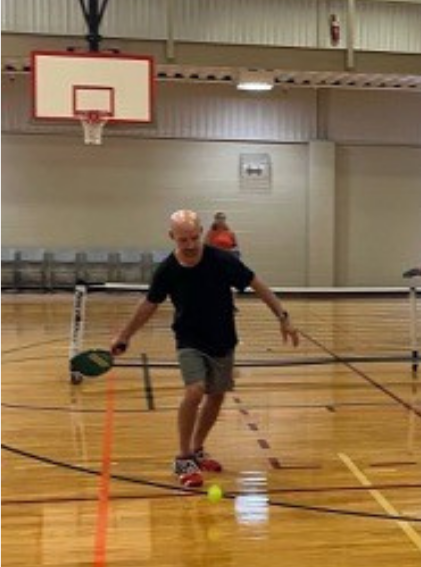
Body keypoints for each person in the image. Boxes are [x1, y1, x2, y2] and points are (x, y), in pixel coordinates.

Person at [110, 209, 299, 488]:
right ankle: (184, 458)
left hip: (223, 338)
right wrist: (124, 336)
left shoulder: (221, 261)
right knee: (195, 390)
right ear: (171, 236)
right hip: (189, 339)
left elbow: (257, 284)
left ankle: (198, 449)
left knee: (216, 395)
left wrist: (283, 317)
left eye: (193, 238)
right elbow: (149, 304)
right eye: (182, 240)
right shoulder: (167, 270)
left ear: (201, 233)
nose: (188, 245)